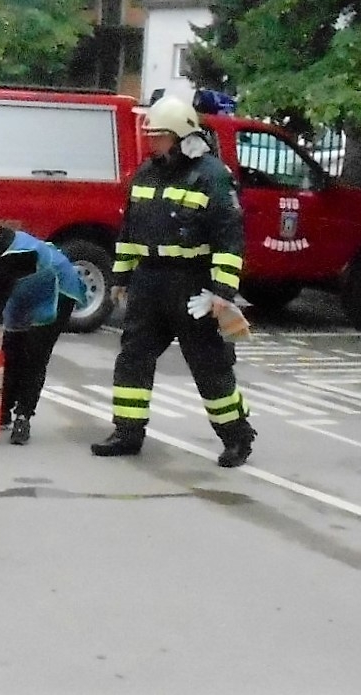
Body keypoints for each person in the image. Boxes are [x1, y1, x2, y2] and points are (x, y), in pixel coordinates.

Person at [92, 94, 256, 468]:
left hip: (193, 285)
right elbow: (129, 231)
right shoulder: (145, 174)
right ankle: (127, 432)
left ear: (182, 137)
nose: (152, 143)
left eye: (159, 137)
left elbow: (230, 239)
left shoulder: (213, 176)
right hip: (149, 282)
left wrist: (222, 292)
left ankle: (237, 435)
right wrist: (121, 275)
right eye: (151, 136)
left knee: (209, 364)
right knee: (132, 358)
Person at [0, 218, 86, 444]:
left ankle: (24, 416)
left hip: (55, 290)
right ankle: (4, 411)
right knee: (10, 352)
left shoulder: (8, 260)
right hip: (24, 291)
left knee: (35, 356)